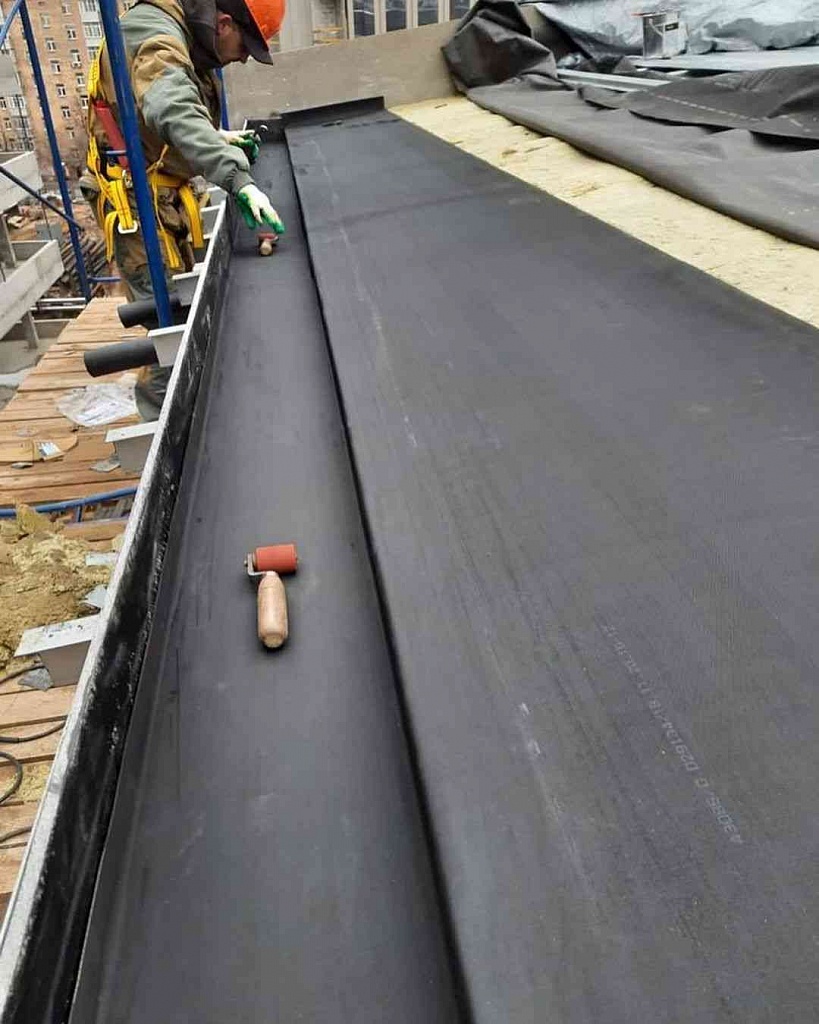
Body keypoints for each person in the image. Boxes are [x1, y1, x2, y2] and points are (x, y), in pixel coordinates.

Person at [81, 0, 286, 419]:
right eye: (245, 46)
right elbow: (170, 102)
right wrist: (237, 178)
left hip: (162, 192)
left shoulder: (188, 32)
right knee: (171, 328)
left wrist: (216, 137)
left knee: (188, 308)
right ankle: (164, 427)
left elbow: (160, 110)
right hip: (137, 204)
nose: (243, 58)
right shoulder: (154, 34)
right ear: (224, 23)